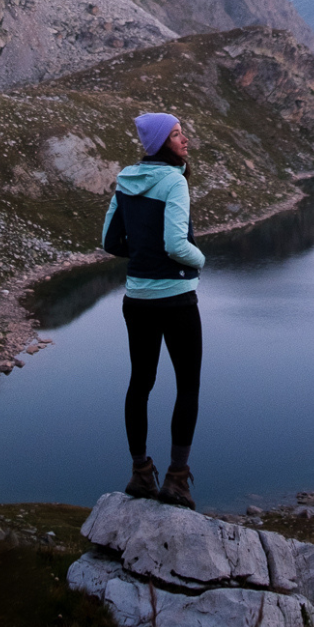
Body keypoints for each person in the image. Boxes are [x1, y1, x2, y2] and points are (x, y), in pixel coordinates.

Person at [102, 110, 205, 509]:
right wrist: (199, 261)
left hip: (137, 300)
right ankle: (177, 479)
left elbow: (110, 242)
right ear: (162, 142)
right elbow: (177, 245)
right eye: (178, 134)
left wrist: (141, 257)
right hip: (177, 299)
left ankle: (140, 473)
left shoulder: (125, 182)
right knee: (187, 385)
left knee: (140, 383)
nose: (185, 140)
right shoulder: (174, 182)